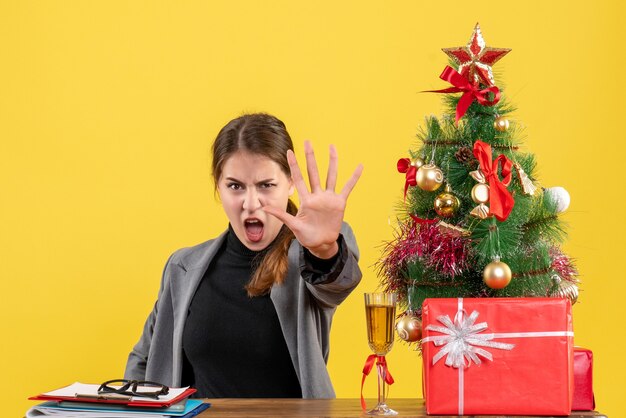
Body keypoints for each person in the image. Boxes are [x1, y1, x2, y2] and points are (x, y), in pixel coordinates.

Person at [124, 113, 363, 399]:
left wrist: (324, 250)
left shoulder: (308, 257)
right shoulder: (182, 268)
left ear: (289, 183)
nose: (251, 204)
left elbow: (335, 284)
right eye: (235, 186)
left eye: (266, 185)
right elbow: (145, 360)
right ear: (218, 186)